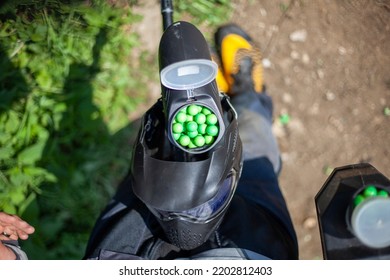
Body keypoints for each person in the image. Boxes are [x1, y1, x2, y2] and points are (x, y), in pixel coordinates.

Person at [84, 23, 299, 260]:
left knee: (155, 158)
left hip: (129, 246)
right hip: (251, 248)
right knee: (256, 156)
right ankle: (246, 91)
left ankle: (223, 92)